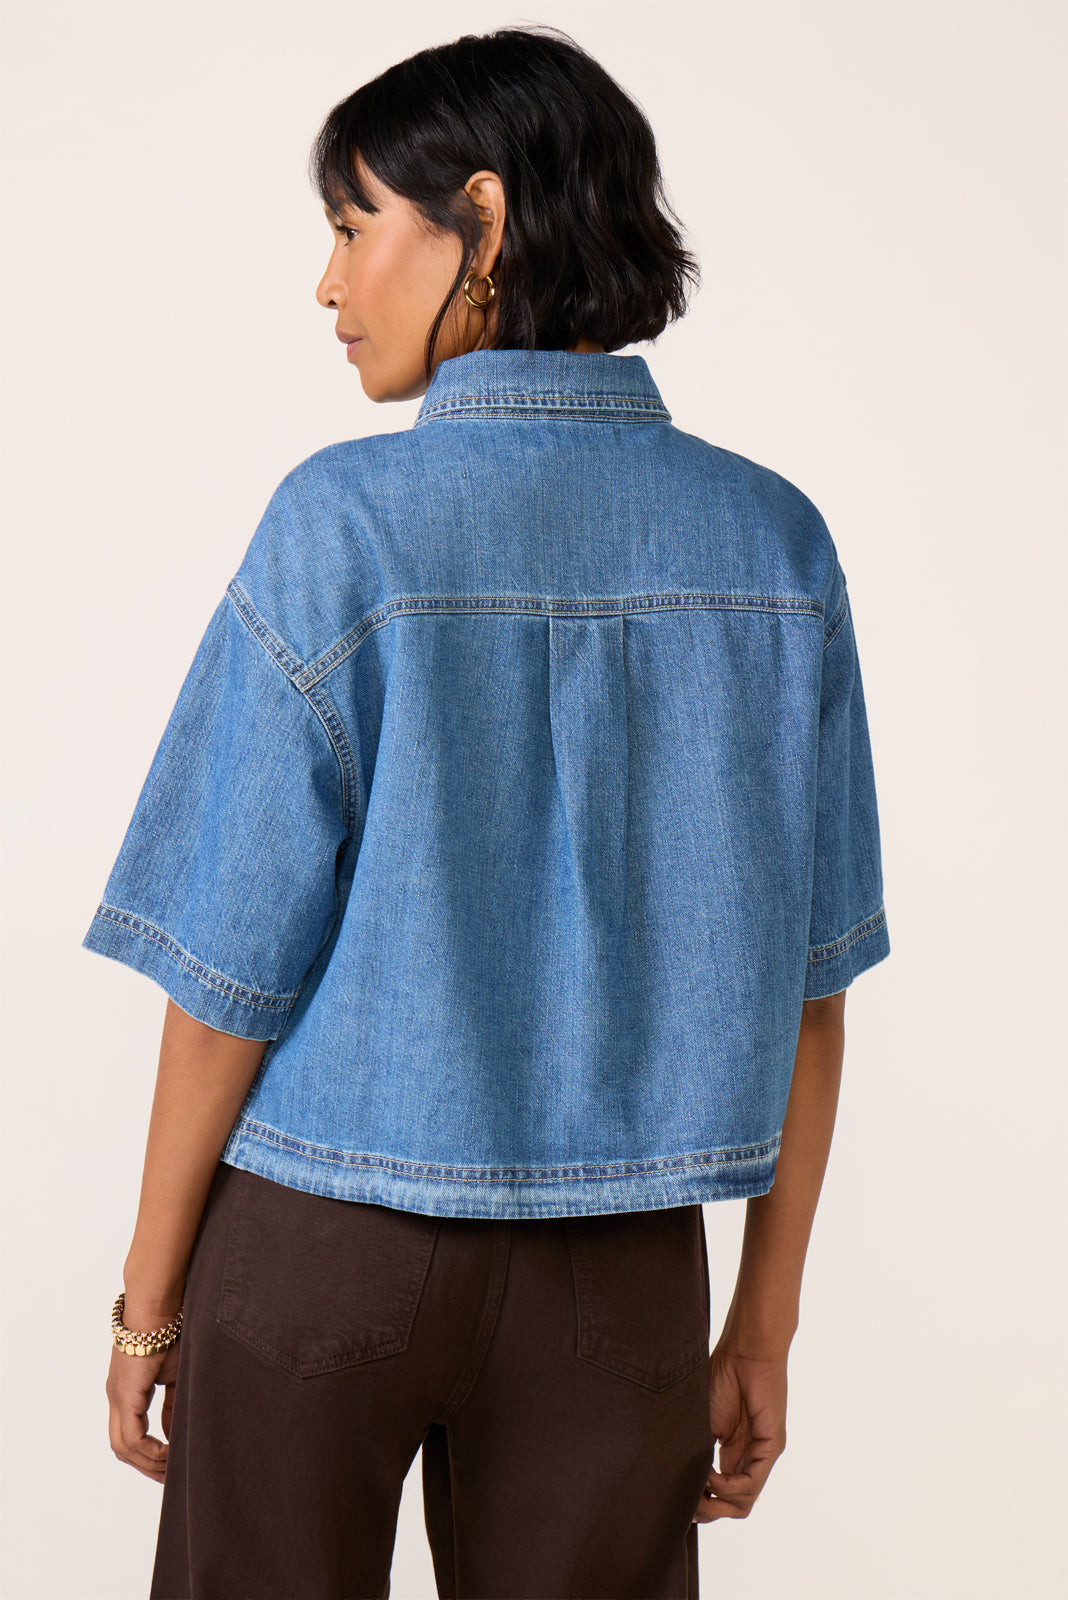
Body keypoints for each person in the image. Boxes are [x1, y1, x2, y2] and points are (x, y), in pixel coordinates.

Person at [85, 23, 890, 1600]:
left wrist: (146, 1299)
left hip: (322, 1239)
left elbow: (225, 980)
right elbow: (813, 988)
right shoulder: (776, 547)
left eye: (351, 226)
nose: (328, 284)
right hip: (625, 1277)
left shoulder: (343, 524)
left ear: (485, 216)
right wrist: (761, 1320)